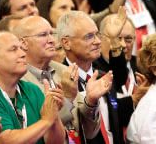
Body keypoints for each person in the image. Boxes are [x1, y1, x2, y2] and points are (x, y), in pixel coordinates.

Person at [13, 15, 109, 141]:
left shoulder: (64, 70)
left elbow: (89, 133)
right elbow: (41, 131)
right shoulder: (19, 81)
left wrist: (90, 102)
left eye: (52, 34)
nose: (52, 40)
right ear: (23, 43)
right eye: (43, 35)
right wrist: (68, 99)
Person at [0, 31, 66, 144]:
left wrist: (54, 115)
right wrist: (46, 120)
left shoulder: (32, 90)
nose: (23, 54)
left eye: (21, 48)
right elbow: (6, 140)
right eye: (13, 49)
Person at [57, 11, 134, 144]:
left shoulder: (103, 75)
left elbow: (120, 76)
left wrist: (114, 39)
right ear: (66, 43)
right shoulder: (60, 81)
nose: (98, 42)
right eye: (89, 37)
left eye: (97, 35)